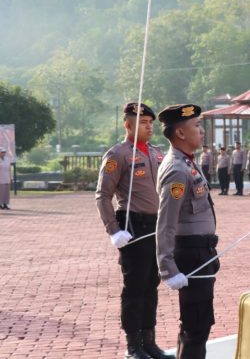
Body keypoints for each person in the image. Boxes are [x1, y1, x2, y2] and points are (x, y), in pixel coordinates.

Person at [94, 102, 172, 359]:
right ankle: (133, 346)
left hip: (157, 226)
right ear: (128, 124)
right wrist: (113, 230)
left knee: (151, 285)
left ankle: (149, 342)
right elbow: (103, 195)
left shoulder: (158, 153)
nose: (149, 127)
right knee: (135, 287)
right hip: (133, 225)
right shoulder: (117, 155)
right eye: (143, 123)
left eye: (151, 123)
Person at [155, 104, 219, 359]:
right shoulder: (177, 169)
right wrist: (167, 267)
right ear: (180, 133)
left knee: (196, 324)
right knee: (196, 324)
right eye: (196, 126)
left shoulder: (188, 162)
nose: (201, 131)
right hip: (192, 254)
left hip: (201, 251)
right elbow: (166, 221)